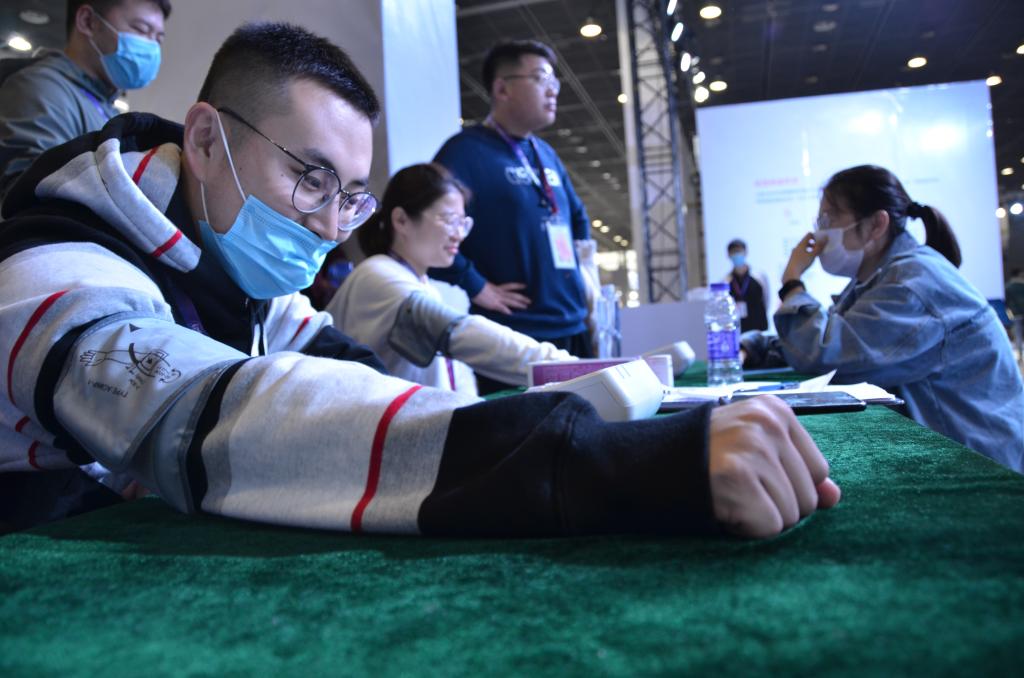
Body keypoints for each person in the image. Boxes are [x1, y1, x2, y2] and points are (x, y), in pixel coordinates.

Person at [0, 22, 839, 540]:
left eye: (347, 194)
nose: (330, 224)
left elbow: (346, 374)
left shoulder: (237, 267)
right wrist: (606, 461)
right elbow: (226, 418)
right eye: (309, 178)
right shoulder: (56, 274)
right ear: (206, 140)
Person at [743, 165, 1024, 473]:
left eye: (829, 219)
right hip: (946, 449)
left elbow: (826, 353)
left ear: (876, 224)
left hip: (978, 463)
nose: (818, 235)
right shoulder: (883, 276)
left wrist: (792, 283)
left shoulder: (911, 284)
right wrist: (753, 347)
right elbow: (837, 335)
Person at [430, 40, 597, 387]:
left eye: (554, 80)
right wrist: (474, 284)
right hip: (513, 336)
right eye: (540, 78)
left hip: (574, 326)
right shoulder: (465, 152)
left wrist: (584, 280)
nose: (553, 89)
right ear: (502, 88)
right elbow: (424, 228)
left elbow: (577, 218)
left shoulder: (545, 153)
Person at [327, 163, 573, 395]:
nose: (459, 235)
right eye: (449, 220)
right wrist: (561, 365)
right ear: (401, 220)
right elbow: (462, 333)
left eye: (463, 223)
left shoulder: (421, 285)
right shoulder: (378, 275)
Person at [0, 0, 170, 202]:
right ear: (88, 21)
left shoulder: (104, 106)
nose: (151, 46)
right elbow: (31, 194)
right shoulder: (42, 89)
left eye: (158, 39)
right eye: (141, 29)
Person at [724, 238, 769, 332]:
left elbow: (766, 299)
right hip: (738, 328)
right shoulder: (726, 281)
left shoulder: (759, 277)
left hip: (758, 327)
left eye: (739, 251)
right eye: (733, 252)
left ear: (745, 252)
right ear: (728, 255)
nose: (736, 254)